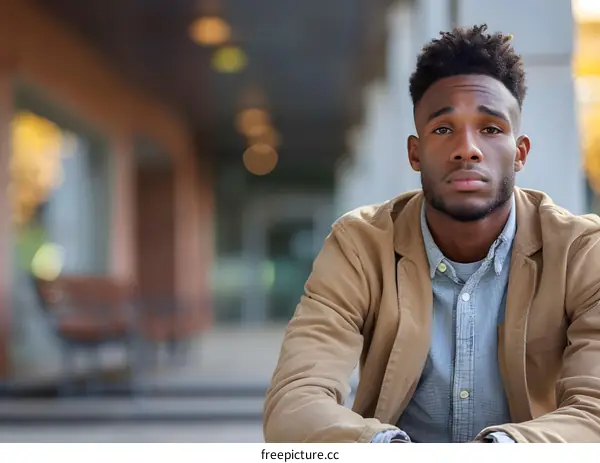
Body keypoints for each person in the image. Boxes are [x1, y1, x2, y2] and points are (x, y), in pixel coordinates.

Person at [262, 24, 600, 443]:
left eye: (491, 129)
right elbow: (295, 401)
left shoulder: (582, 252)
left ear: (520, 154)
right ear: (415, 153)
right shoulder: (360, 245)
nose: (467, 148)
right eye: (443, 129)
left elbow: (594, 412)